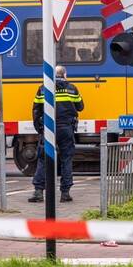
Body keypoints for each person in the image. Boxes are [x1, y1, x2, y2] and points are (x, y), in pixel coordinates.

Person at [29, 65, 84, 203]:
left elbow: (36, 109)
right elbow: (80, 107)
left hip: (48, 128)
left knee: (43, 159)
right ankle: (65, 193)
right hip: (66, 128)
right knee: (66, 159)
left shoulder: (43, 88)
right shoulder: (72, 88)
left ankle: (38, 192)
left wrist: (38, 127)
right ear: (64, 75)